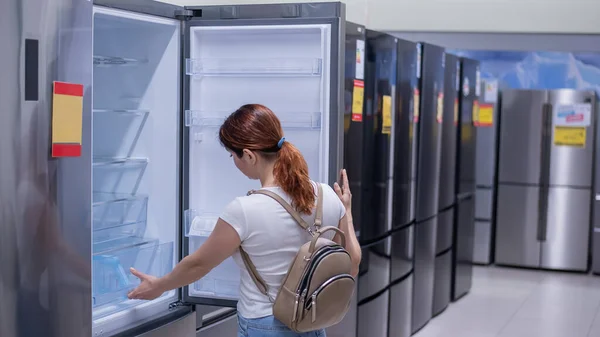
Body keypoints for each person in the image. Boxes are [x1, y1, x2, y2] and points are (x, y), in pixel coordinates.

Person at [127, 104, 361, 337]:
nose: (234, 162)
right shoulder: (327, 195)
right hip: (312, 323)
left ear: (248, 155)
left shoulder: (244, 210)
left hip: (265, 325)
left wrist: (159, 286)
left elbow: (198, 265)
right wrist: (346, 210)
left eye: (233, 155)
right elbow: (352, 264)